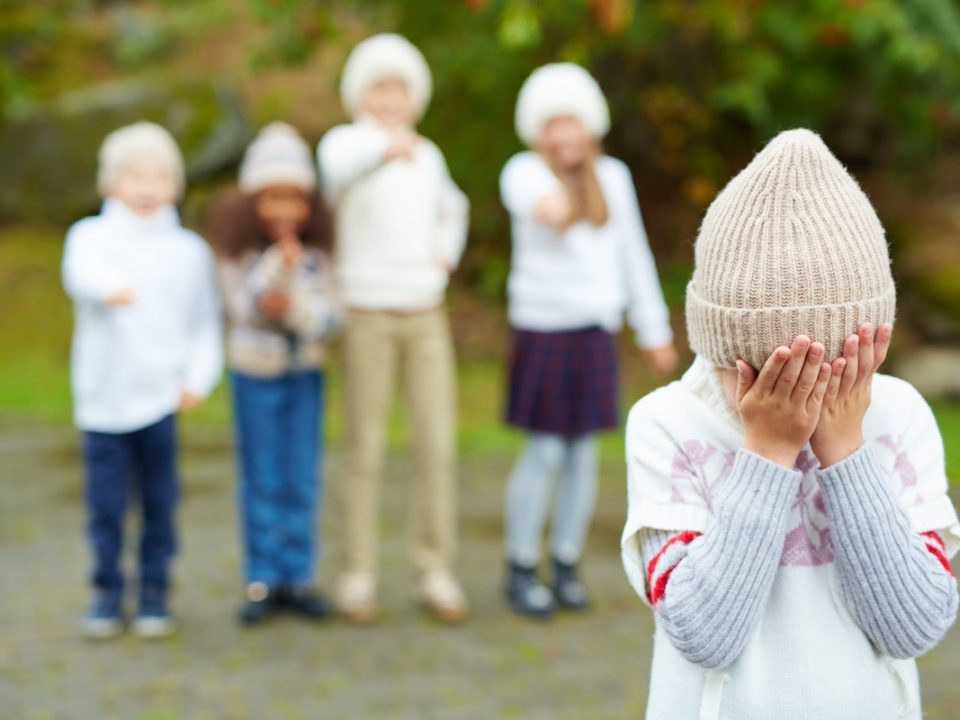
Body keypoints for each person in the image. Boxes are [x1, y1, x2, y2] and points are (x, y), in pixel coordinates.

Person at [620, 128, 958, 719]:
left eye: (825, 373)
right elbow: (704, 637)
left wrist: (847, 450)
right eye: (768, 375)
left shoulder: (899, 416)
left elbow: (915, 628)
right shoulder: (666, 425)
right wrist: (767, 452)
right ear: (721, 347)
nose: (797, 401)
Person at [499, 63, 677, 619]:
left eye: (570, 123)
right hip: (544, 330)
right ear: (537, 131)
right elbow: (537, 203)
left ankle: (567, 561)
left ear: (590, 125)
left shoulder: (615, 178)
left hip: (593, 332)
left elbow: (634, 255)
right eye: (551, 126)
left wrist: (654, 330)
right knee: (546, 450)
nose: (561, 137)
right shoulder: (525, 172)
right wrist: (559, 200)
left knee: (584, 454)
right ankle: (521, 564)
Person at [317, 33, 470, 624]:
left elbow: (452, 209)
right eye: (379, 86)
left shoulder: (427, 154)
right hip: (366, 315)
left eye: (400, 87)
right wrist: (383, 151)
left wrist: (445, 255)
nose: (389, 98)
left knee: (436, 445)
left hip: (423, 313)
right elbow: (334, 176)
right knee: (367, 448)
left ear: (415, 95)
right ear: (360, 93)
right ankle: (356, 574)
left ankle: (436, 570)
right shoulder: (345, 145)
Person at [62, 121, 223, 640]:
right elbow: (80, 275)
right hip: (104, 403)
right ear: (112, 182)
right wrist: (111, 287)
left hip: (160, 400)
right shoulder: (90, 237)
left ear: (175, 184)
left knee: (160, 503)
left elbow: (204, 322)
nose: (147, 187)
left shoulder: (188, 251)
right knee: (106, 506)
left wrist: (197, 377)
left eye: (158, 175)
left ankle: (155, 592)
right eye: (135, 175)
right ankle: (107, 592)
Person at [206, 122, 340, 626]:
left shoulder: (320, 252)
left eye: (295, 199)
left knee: (301, 474)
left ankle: (298, 574)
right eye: (271, 198)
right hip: (254, 373)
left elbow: (330, 317)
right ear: (252, 201)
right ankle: (262, 576)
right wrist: (278, 275)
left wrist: (299, 309)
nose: (284, 211)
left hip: (304, 373)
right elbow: (245, 308)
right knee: (261, 476)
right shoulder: (235, 251)